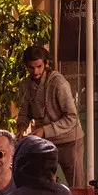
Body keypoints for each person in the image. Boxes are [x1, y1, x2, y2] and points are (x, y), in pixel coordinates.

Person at [15, 45, 83, 187]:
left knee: (77, 187)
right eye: (31, 67)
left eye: (39, 66)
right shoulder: (25, 85)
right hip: (45, 143)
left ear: (46, 64)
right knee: (41, 184)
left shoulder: (59, 83)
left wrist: (44, 130)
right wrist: (21, 126)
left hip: (69, 141)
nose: (36, 71)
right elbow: (24, 113)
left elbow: (72, 117)